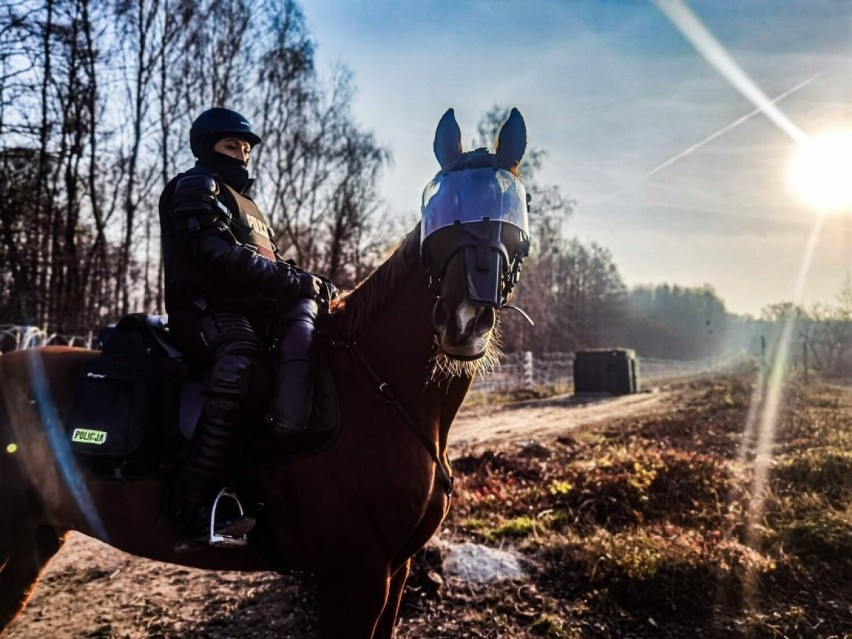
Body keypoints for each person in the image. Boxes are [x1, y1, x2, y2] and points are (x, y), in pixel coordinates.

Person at [159, 107, 321, 553]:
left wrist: (308, 280)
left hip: (252, 313)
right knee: (243, 368)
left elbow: (270, 262)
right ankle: (193, 509)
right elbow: (212, 250)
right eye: (233, 146)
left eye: (246, 148)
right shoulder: (196, 185)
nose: (243, 155)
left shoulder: (247, 205)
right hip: (206, 312)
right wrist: (292, 281)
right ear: (208, 147)